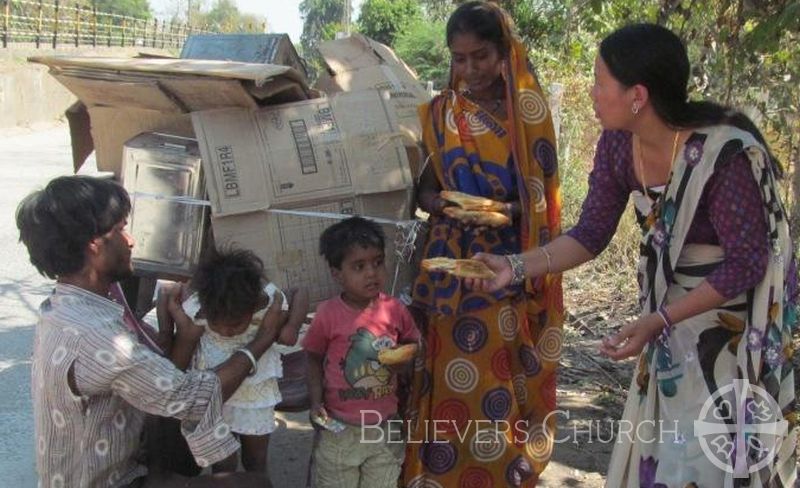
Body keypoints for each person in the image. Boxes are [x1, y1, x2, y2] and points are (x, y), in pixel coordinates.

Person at [470, 23, 797, 487]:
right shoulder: (619, 145)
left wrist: (660, 320)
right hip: (664, 329)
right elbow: (591, 234)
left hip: (725, 336)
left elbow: (747, 263)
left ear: (637, 95)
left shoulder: (723, 154)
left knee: (713, 459)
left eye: (600, 82)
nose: (592, 92)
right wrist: (515, 267)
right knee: (666, 458)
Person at [16, 175, 289, 487]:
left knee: (179, 449)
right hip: (108, 482)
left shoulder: (62, 307)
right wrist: (263, 338)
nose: (131, 240)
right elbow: (191, 397)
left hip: (102, 468)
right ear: (94, 245)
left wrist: (182, 338)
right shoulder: (97, 337)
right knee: (254, 485)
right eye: (120, 230)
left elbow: (154, 384)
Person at [402, 1, 564, 486]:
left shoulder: (527, 116)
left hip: (506, 266)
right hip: (448, 266)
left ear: (504, 53)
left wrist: (505, 212)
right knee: (444, 372)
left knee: (497, 374)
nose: (469, 69)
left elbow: (540, 199)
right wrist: (444, 204)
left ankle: (498, 474)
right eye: (459, 58)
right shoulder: (439, 114)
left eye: (480, 56)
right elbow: (425, 189)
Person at [161, 248, 309, 474]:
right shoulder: (199, 306)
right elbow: (166, 296)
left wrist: (292, 326)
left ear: (252, 307)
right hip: (215, 400)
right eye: (217, 323)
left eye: (235, 324)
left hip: (256, 397)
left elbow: (300, 292)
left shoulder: (267, 299)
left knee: (256, 460)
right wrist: (166, 331)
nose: (226, 331)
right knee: (222, 463)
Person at [302, 216, 421, 488]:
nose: (372, 273)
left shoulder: (394, 310)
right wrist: (315, 401)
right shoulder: (327, 314)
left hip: (384, 427)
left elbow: (415, 345)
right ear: (337, 273)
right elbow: (312, 357)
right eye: (359, 266)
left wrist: (402, 359)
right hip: (339, 427)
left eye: (378, 262)